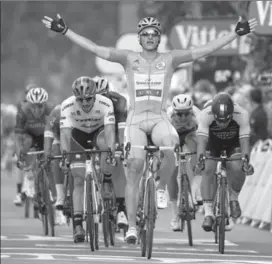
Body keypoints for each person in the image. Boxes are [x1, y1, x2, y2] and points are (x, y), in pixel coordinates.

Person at [42, 13, 257, 243]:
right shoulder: (128, 58)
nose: (150, 37)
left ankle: (162, 187)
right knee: (134, 167)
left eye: (154, 34)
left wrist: (234, 34)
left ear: (159, 38)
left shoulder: (171, 58)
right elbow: (96, 49)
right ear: (140, 38)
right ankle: (132, 226)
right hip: (135, 119)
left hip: (159, 117)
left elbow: (204, 50)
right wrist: (66, 32)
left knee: (171, 145)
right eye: (146, 34)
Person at [59, 76, 116, 243]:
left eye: (88, 99)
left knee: (106, 144)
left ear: (95, 95)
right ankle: (78, 224)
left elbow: (110, 130)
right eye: (80, 100)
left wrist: (111, 151)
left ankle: (105, 179)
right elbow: (65, 133)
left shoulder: (105, 103)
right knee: (78, 177)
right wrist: (64, 156)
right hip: (78, 136)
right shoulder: (67, 105)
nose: (84, 103)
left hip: (99, 133)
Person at [196, 92, 254, 232]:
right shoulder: (205, 114)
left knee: (238, 166)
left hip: (233, 143)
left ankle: (234, 198)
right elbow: (202, 140)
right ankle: (208, 212)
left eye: (226, 121)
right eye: (219, 121)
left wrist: (245, 159)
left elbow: (244, 140)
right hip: (212, 143)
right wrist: (200, 158)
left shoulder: (242, 114)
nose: (222, 124)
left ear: (232, 113)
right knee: (208, 168)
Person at [93, 75, 128, 229]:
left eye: (104, 95)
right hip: (96, 131)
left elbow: (121, 129)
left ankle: (121, 208)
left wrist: (120, 146)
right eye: (97, 97)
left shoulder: (118, 102)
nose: (101, 99)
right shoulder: (86, 102)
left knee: (117, 160)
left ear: (109, 92)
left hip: (114, 129)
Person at [166, 94, 202, 230]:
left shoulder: (197, 115)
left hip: (189, 135)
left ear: (191, 111)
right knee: (171, 170)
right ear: (174, 112)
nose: (182, 117)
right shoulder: (168, 116)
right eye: (179, 114)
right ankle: (175, 215)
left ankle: (195, 190)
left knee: (196, 151)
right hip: (173, 135)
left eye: (186, 114)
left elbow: (203, 137)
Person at [14, 87, 55, 206]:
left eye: (40, 106)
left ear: (45, 104)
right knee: (26, 142)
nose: (37, 110)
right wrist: (19, 157)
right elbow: (18, 137)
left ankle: (54, 196)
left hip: (45, 135)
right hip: (29, 136)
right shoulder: (22, 111)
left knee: (51, 162)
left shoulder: (51, 109)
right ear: (29, 104)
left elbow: (58, 132)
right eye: (34, 106)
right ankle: (29, 178)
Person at [44, 104, 67, 225]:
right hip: (57, 137)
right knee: (56, 155)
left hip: (74, 136)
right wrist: (47, 153)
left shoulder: (76, 111)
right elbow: (48, 135)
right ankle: (60, 195)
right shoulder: (56, 113)